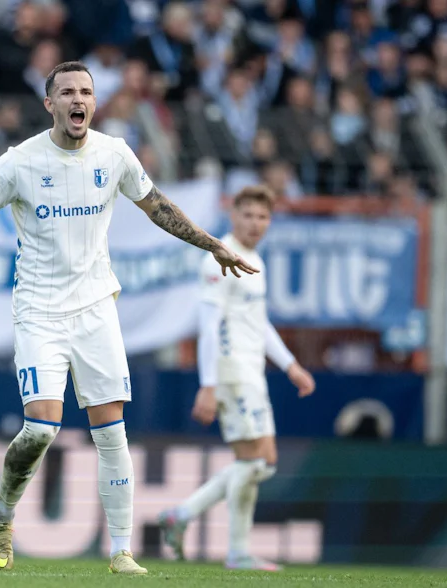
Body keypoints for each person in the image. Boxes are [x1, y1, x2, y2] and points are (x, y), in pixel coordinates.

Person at [0, 61, 259, 575]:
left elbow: (157, 206)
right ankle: (3, 511)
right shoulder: (20, 161)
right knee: (41, 430)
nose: (77, 99)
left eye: (85, 91)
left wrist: (213, 244)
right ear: (50, 104)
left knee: (112, 433)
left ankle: (121, 551)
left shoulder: (114, 154)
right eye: (66, 92)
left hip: (95, 308)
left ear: (94, 102)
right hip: (39, 311)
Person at [157, 186, 317, 571]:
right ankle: (234, 549)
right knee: (258, 459)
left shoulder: (252, 259)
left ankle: (184, 517)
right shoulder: (218, 259)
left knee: (262, 462)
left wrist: (291, 365)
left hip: (250, 371)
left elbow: (257, 323)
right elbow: (209, 327)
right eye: (248, 215)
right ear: (234, 216)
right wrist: (208, 385)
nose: (255, 223)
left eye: (262, 217)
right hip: (231, 370)